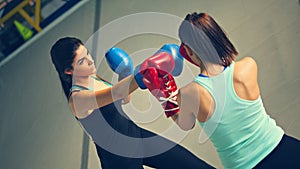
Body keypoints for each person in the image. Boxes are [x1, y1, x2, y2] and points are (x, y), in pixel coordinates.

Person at [137, 12, 300, 169]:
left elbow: (185, 124)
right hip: (287, 149)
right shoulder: (248, 66)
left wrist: (164, 96)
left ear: (188, 51)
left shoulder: (189, 93)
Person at [50, 36, 215, 169]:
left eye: (88, 54)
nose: (91, 61)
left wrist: (124, 72)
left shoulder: (92, 77)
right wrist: (144, 72)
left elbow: (123, 99)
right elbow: (117, 92)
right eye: (82, 61)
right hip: (119, 159)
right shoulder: (78, 99)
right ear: (68, 71)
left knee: (193, 165)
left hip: (136, 136)